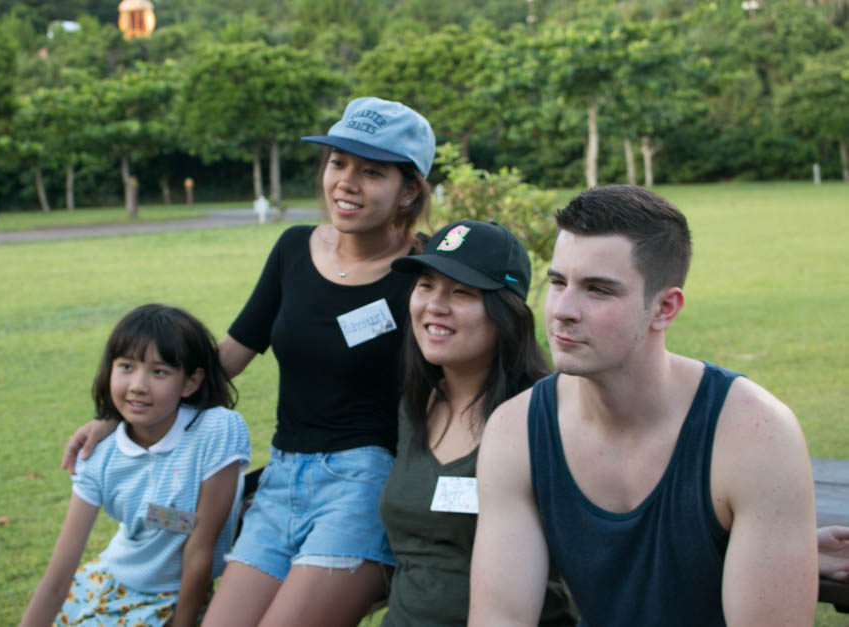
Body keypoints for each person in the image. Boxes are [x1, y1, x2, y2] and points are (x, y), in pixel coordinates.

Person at [62, 97, 437, 627]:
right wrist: (116, 418)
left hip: (363, 483)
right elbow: (222, 362)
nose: (346, 183)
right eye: (337, 163)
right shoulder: (292, 250)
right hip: (280, 480)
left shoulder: (422, 274)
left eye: (372, 171)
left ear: (410, 189)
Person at [468, 185, 818, 626]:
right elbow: (501, 618)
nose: (563, 311)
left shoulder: (755, 435)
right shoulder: (516, 431)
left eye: (598, 290)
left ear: (665, 308)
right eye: (558, 282)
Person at [380, 220, 578, 626]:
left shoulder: (546, 417)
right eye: (426, 285)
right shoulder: (416, 406)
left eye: (462, 292)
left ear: (507, 314)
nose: (435, 305)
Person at [21, 304, 250, 627]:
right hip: (109, 579)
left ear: (190, 382)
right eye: (126, 366)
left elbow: (201, 545)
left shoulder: (216, 431)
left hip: (174, 597)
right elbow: (57, 578)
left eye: (159, 372)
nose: (138, 385)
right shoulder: (98, 456)